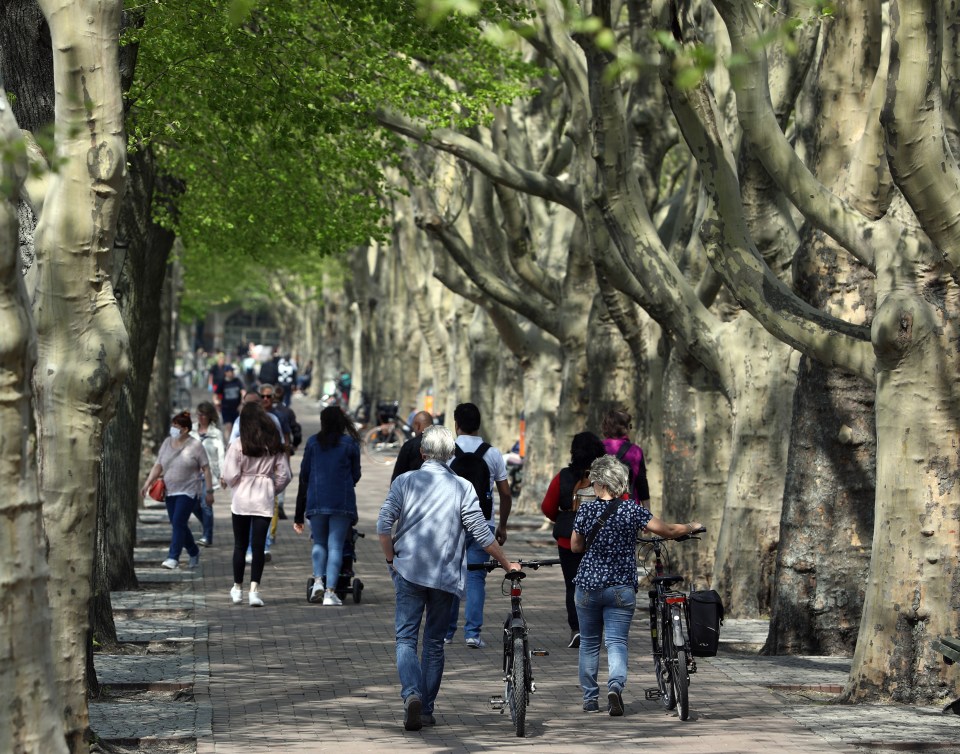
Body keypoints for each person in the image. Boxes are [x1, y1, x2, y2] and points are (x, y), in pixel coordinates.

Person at [377, 425, 520, 731]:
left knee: (405, 638)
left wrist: (391, 559)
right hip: (445, 575)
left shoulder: (404, 482)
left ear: (421, 452)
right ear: (452, 454)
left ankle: (411, 694)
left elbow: (383, 523)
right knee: (433, 644)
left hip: (408, 570)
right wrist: (508, 563)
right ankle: (425, 708)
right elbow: (481, 533)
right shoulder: (463, 487)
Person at [571, 454, 701, 716]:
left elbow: (575, 546)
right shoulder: (632, 510)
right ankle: (615, 687)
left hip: (587, 587)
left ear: (598, 483)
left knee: (589, 643)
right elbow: (665, 530)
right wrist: (691, 526)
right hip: (620, 588)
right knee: (617, 642)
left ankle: (590, 699)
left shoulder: (585, 510)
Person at [445, 402, 512, 647]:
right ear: (479, 424)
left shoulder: (448, 452)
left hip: (452, 522)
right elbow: (505, 493)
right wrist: (502, 526)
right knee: (475, 579)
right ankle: (472, 633)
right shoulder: (492, 453)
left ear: (456, 424)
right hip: (483, 523)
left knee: (451, 575)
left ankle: (447, 631)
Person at [540, 431, 607, 649]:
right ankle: (596, 628)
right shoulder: (607, 477)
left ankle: (577, 629)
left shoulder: (563, 476)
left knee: (573, 585)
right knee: (599, 583)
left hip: (568, 539)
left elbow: (548, 507)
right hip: (600, 538)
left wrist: (564, 516)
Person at [222, 402, 292, 607]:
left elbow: (230, 474)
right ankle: (254, 590)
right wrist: (272, 488)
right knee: (259, 546)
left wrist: (237, 484)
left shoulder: (238, 444)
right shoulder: (273, 444)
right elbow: (285, 475)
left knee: (240, 545)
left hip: (242, 497)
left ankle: (237, 588)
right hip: (264, 497)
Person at [294, 405, 362, 606]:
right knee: (336, 547)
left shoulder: (313, 442)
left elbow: (305, 473)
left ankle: (317, 581)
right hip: (341, 501)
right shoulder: (350, 444)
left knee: (319, 543)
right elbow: (356, 474)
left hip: (316, 500)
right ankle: (330, 592)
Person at [141, 411, 214, 570]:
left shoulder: (195, 445)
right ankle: (194, 551)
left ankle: (173, 557)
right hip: (170, 491)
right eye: (173, 425)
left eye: (177, 426)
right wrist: (147, 483)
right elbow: (158, 465)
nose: (173, 428)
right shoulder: (167, 442)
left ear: (185, 429)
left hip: (188, 491)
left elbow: (206, 469)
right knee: (177, 524)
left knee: (179, 522)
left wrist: (209, 491)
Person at [600, 408, 651, 508]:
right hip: (629, 509)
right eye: (630, 426)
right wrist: (647, 513)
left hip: (601, 509)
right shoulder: (636, 451)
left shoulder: (597, 448)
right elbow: (641, 484)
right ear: (625, 429)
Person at [192, 401, 226, 547]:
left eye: (204, 414)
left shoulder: (216, 434)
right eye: (199, 414)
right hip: (191, 473)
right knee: (193, 504)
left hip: (209, 474)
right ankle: (207, 526)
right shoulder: (191, 431)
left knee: (206, 503)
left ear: (210, 416)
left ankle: (207, 536)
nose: (201, 417)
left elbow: (221, 455)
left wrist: (223, 474)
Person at [390, 410, 433, 481]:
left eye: (414, 427)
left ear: (418, 425)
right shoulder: (444, 444)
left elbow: (397, 477)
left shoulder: (409, 446)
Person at [214, 363, 245, 442]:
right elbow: (216, 394)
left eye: (232, 371)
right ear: (226, 373)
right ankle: (229, 444)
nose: (232, 373)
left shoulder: (237, 381)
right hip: (226, 409)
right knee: (228, 427)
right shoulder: (222, 382)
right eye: (230, 371)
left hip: (236, 409)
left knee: (237, 427)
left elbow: (243, 392)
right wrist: (217, 403)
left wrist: (242, 403)